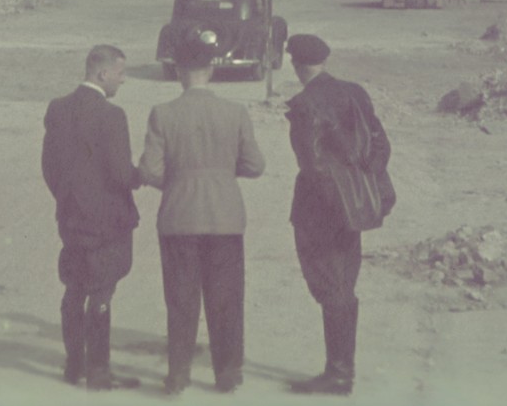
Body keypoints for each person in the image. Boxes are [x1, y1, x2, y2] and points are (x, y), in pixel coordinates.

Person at [139, 33, 265, 395]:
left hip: (178, 218)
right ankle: (226, 373)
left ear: (179, 71)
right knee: (226, 300)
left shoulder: (162, 113)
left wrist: (179, 182)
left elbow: (149, 169)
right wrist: (222, 173)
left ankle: (178, 374)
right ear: (211, 69)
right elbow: (255, 165)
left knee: (180, 300)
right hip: (225, 218)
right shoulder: (235, 112)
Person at [283, 34, 395, 396]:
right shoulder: (355, 92)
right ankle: (343, 369)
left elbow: (312, 165)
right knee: (345, 284)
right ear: (324, 61)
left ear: (296, 64)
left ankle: (338, 373)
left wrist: (335, 200)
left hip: (320, 212)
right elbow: (381, 144)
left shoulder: (304, 104)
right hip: (354, 210)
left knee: (330, 288)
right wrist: (362, 184)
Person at [42, 45, 143, 392]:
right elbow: (119, 174)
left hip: (70, 219)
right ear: (103, 74)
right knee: (101, 293)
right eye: (120, 73)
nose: (123, 80)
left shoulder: (57, 109)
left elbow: (49, 168)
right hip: (106, 223)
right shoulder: (112, 116)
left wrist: (68, 199)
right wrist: (140, 176)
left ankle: (74, 365)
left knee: (73, 289)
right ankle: (99, 373)